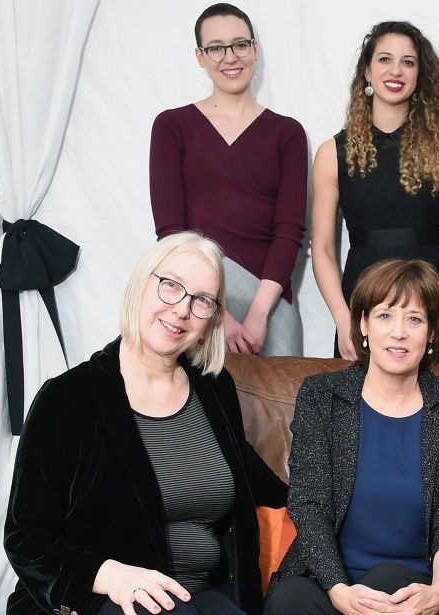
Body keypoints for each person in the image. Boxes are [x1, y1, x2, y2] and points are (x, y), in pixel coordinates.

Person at [3, 232, 289, 615]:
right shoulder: (68, 399)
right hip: (94, 611)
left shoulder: (213, 389)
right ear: (141, 284)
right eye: (171, 286)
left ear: (212, 318)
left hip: (195, 594)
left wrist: (330, 499)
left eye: (202, 300)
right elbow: (26, 537)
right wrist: (111, 575)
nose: (182, 310)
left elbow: (249, 477)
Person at [263, 259, 439, 615]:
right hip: (331, 581)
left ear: (432, 333)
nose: (398, 333)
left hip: (412, 588)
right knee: (289, 604)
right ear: (363, 325)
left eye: (414, 319)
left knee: (389, 588)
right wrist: (341, 592)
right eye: (384, 316)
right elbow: (309, 504)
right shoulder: (322, 396)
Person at [310, 21, 439, 362]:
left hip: (434, 306)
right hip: (362, 309)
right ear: (367, 71)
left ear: (420, 75)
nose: (396, 70)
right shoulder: (331, 154)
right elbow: (323, 249)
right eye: (385, 59)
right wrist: (343, 319)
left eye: (408, 62)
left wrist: (430, 310)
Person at [150, 3, 309, 357]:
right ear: (200, 57)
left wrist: (258, 314)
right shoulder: (172, 126)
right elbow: (171, 233)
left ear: (254, 49)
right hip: (194, 301)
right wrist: (216, 313)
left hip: (269, 304)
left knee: (282, 393)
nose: (230, 57)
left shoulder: (288, 133)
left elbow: (289, 230)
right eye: (216, 48)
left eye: (239, 44)